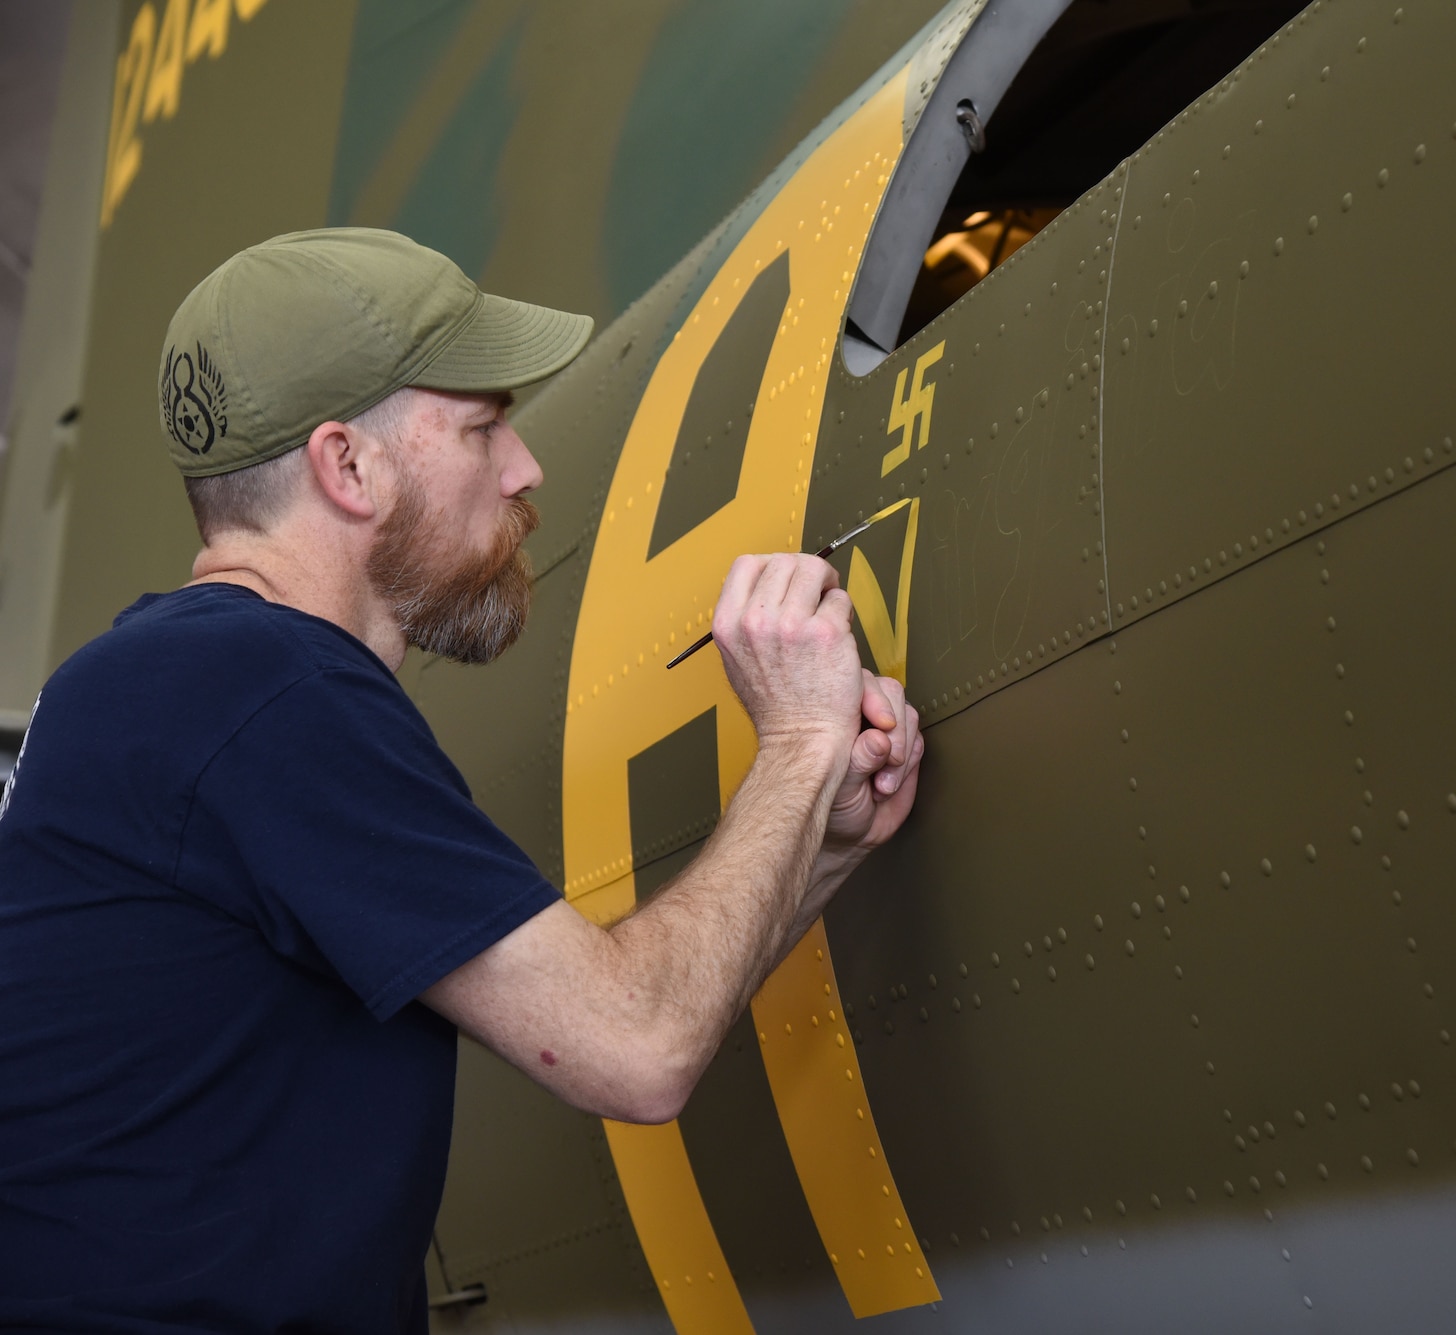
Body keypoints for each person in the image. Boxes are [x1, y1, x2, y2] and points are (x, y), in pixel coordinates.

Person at [0, 228, 924, 1333]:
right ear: (347, 466)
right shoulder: (258, 687)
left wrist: (816, 841)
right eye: (483, 427)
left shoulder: (169, 685)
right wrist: (798, 748)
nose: (525, 468)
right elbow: (636, 1050)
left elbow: (587, 1009)